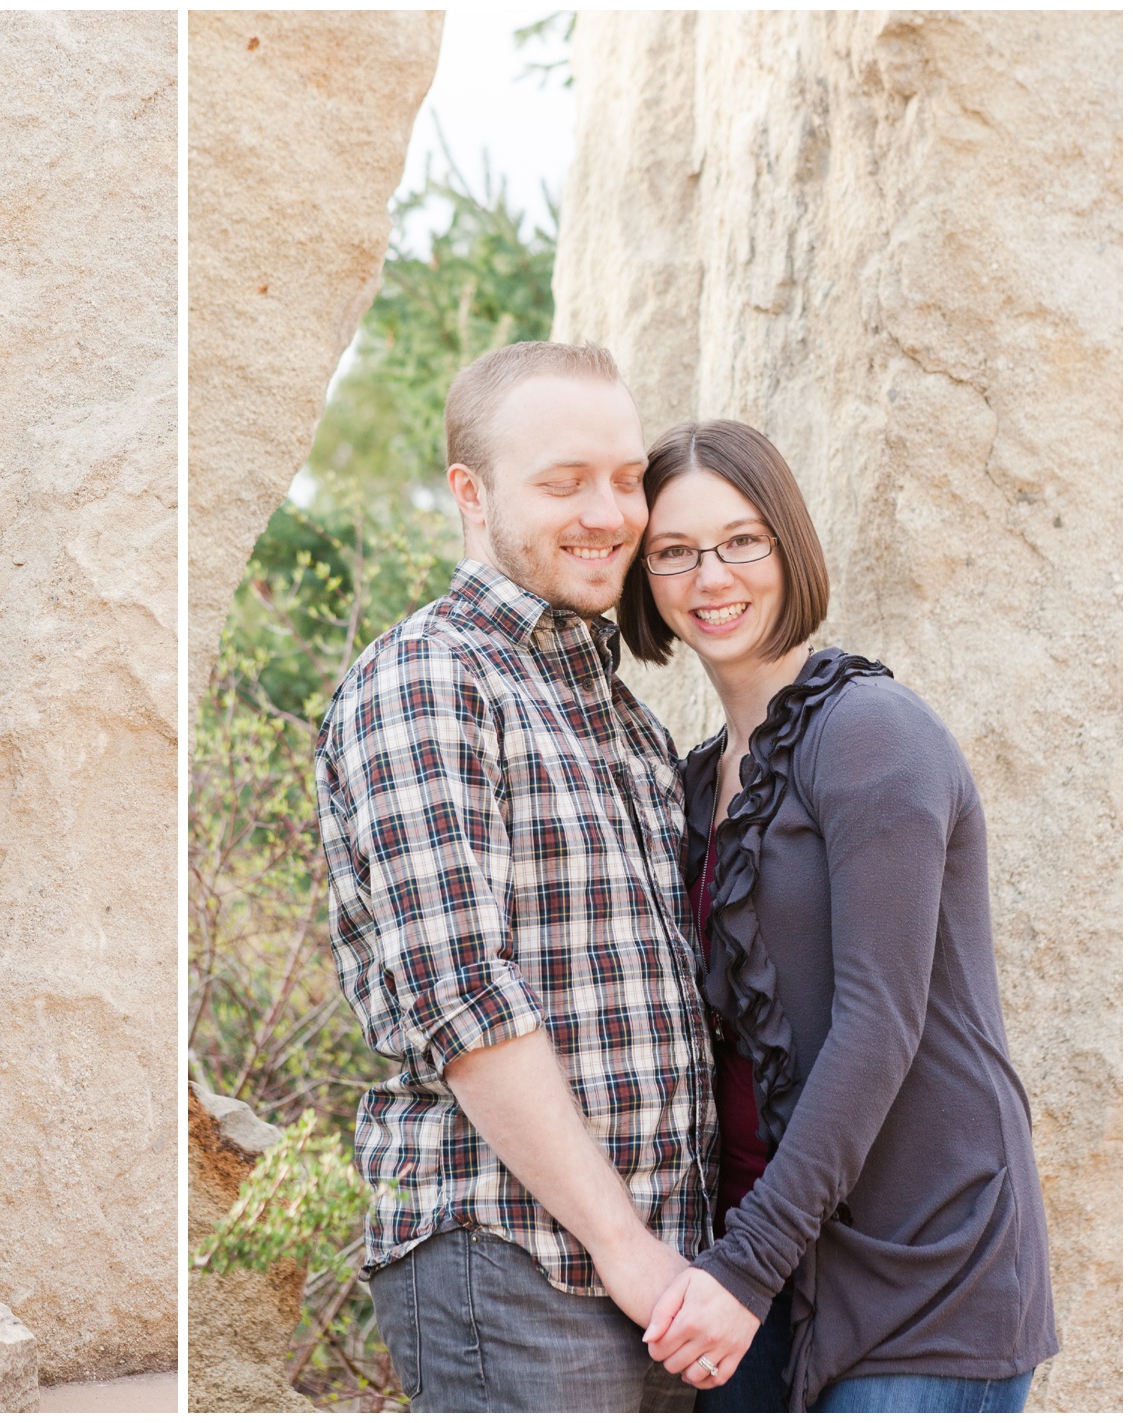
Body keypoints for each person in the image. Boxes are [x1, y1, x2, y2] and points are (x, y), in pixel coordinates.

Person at [317, 341, 754, 1412]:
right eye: (563, 482)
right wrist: (624, 1246)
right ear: (470, 494)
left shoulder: (626, 721)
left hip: (656, 1274)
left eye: (623, 479)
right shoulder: (429, 676)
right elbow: (461, 997)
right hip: (512, 1265)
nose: (608, 512)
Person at [620, 419, 1059, 1411]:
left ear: (788, 545)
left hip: (922, 1272)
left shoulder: (868, 732)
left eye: (741, 541)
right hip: (763, 1265)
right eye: (673, 552)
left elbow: (878, 1024)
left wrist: (741, 1269)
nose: (709, 577)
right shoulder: (695, 780)